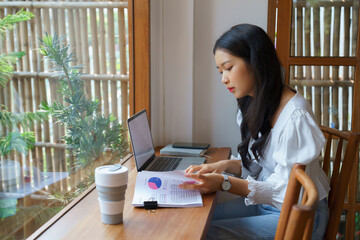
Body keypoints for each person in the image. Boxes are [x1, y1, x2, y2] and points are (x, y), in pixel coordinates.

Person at [178, 24, 330, 240]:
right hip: (269, 206)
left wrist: (224, 182)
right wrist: (221, 166)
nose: (224, 79)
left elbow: (286, 193)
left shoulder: (296, 116)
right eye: (220, 71)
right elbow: (262, 164)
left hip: (300, 219)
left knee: (200, 232)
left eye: (229, 68)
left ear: (256, 62)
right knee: (194, 220)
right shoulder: (255, 103)